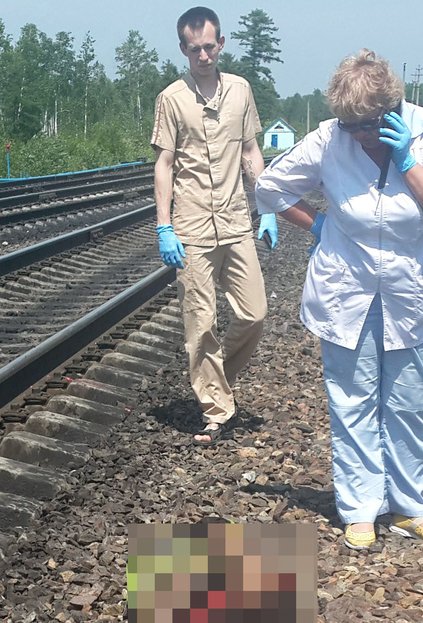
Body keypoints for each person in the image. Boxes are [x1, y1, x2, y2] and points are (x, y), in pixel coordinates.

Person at [254, 50, 423, 551]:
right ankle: (359, 509)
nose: (360, 136)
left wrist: (409, 164)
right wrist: (320, 223)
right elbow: (270, 187)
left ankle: (409, 507)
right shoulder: (332, 138)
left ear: (393, 108)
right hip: (345, 289)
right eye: (351, 127)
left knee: (407, 403)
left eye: (370, 126)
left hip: (410, 291)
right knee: (350, 402)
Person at [152, 6, 281, 445]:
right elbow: (165, 165)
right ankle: (216, 409)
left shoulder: (241, 91)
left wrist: (268, 207)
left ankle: (216, 379)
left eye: (210, 46)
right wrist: (164, 226)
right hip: (190, 229)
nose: (203, 55)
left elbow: (250, 152)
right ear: (183, 49)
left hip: (235, 222)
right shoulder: (171, 99)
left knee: (255, 313)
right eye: (195, 49)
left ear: (221, 43)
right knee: (200, 323)